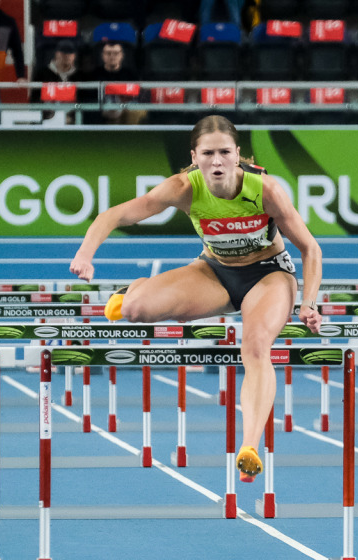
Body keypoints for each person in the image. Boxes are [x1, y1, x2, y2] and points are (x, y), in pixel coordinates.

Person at [69, 115, 324, 479]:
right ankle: (135, 290)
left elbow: (310, 249)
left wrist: (309, 303)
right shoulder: (182, 187)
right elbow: (116, 214)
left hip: (268, 275)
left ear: (238, 155)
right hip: (215, 272)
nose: (216, 161)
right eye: (208, 154)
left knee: (254, 346)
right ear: (195, 157)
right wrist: (84, 254)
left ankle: (249, 446)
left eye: (224, 153)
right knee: (135, 310)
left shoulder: (265, 189)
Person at [87, 41, 144, 125]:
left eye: (116, 53)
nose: (112, 56)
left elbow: (138, 99)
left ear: (122, 55)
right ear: (103, 56)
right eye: (108, 53)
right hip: (101, 112)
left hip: (125, 112)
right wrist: (103, 110)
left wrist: (122, 109)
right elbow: (89, 101)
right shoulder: (93, 76)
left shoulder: (131, 76)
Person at [30, 39, 78, 123]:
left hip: (73, 121)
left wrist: (72, 116)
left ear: (74, 56)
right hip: (47, 120)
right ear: (56, 54)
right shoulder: (42, 74)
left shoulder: (79, 76)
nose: (66, 56)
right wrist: (50, 115)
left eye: (70, 53)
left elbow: (82, 102)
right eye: (63, 53)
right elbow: (35, 100)